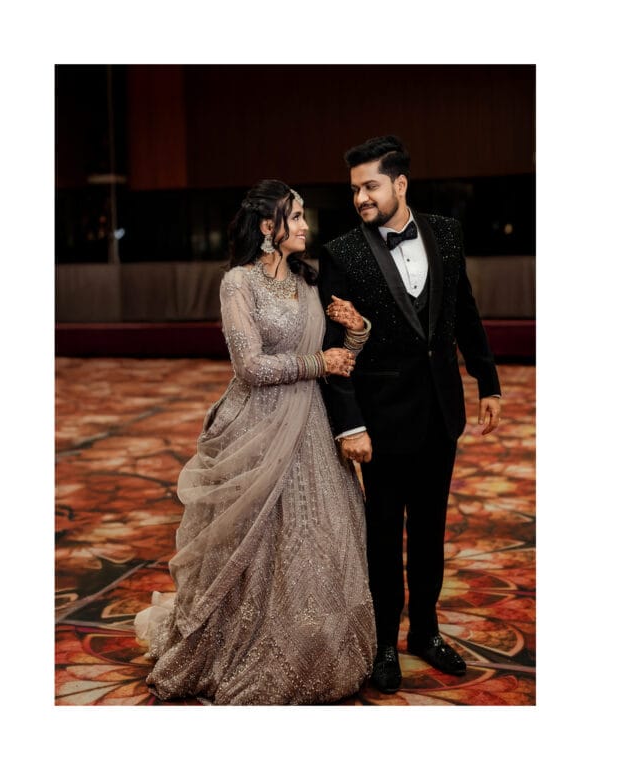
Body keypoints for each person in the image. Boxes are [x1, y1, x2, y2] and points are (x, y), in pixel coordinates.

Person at [135, 179, 376, 705]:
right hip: (255, 428)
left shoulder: (308, 281)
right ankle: (236, 646)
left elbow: (338, 358)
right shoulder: (237, 284)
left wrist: (356, 331)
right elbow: (249, 366)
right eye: (296, 217)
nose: (306, 225)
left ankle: (315, 648)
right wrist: (316, 362)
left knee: (319, 540)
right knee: (251, 541)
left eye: (304, 216)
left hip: (310, 425)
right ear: (268, 227)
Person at [319, 136, 502, 693]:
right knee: (382, 537)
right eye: (355, 189)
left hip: (441, 412)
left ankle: (425, 631)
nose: (361, 198)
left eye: (370, 186)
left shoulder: (446, 233)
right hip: (380, 422)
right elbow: (335, 349)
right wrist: (350, 424)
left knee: (429, 532)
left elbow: (463, 310)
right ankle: (382, 644)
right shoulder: (341, 252)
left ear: (400, 184)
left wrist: (487, 381)